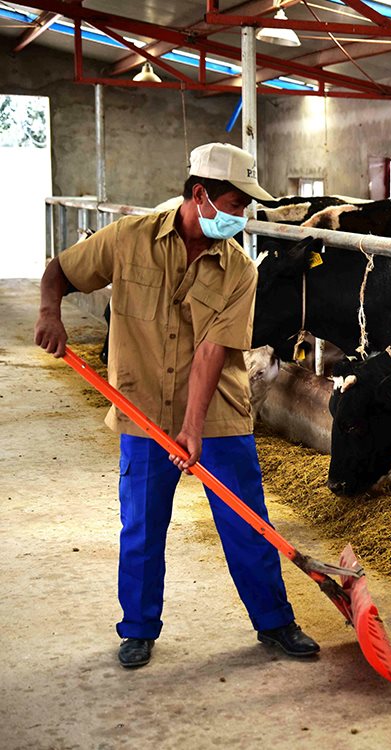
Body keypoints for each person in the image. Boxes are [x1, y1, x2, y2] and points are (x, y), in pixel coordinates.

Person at [34, 142, 319, 669]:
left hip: (219, 414)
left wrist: (192, 428)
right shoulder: (128, 239)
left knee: (247, 522)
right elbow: (61, 271)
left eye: (245, 207)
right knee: (142, 526)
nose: (241, 217)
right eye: (235, 204)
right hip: (143, 410)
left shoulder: (239, 270)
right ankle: (138, 629)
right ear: (200, 194)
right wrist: (50, 313)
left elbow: (212, 349)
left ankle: (275, 621)